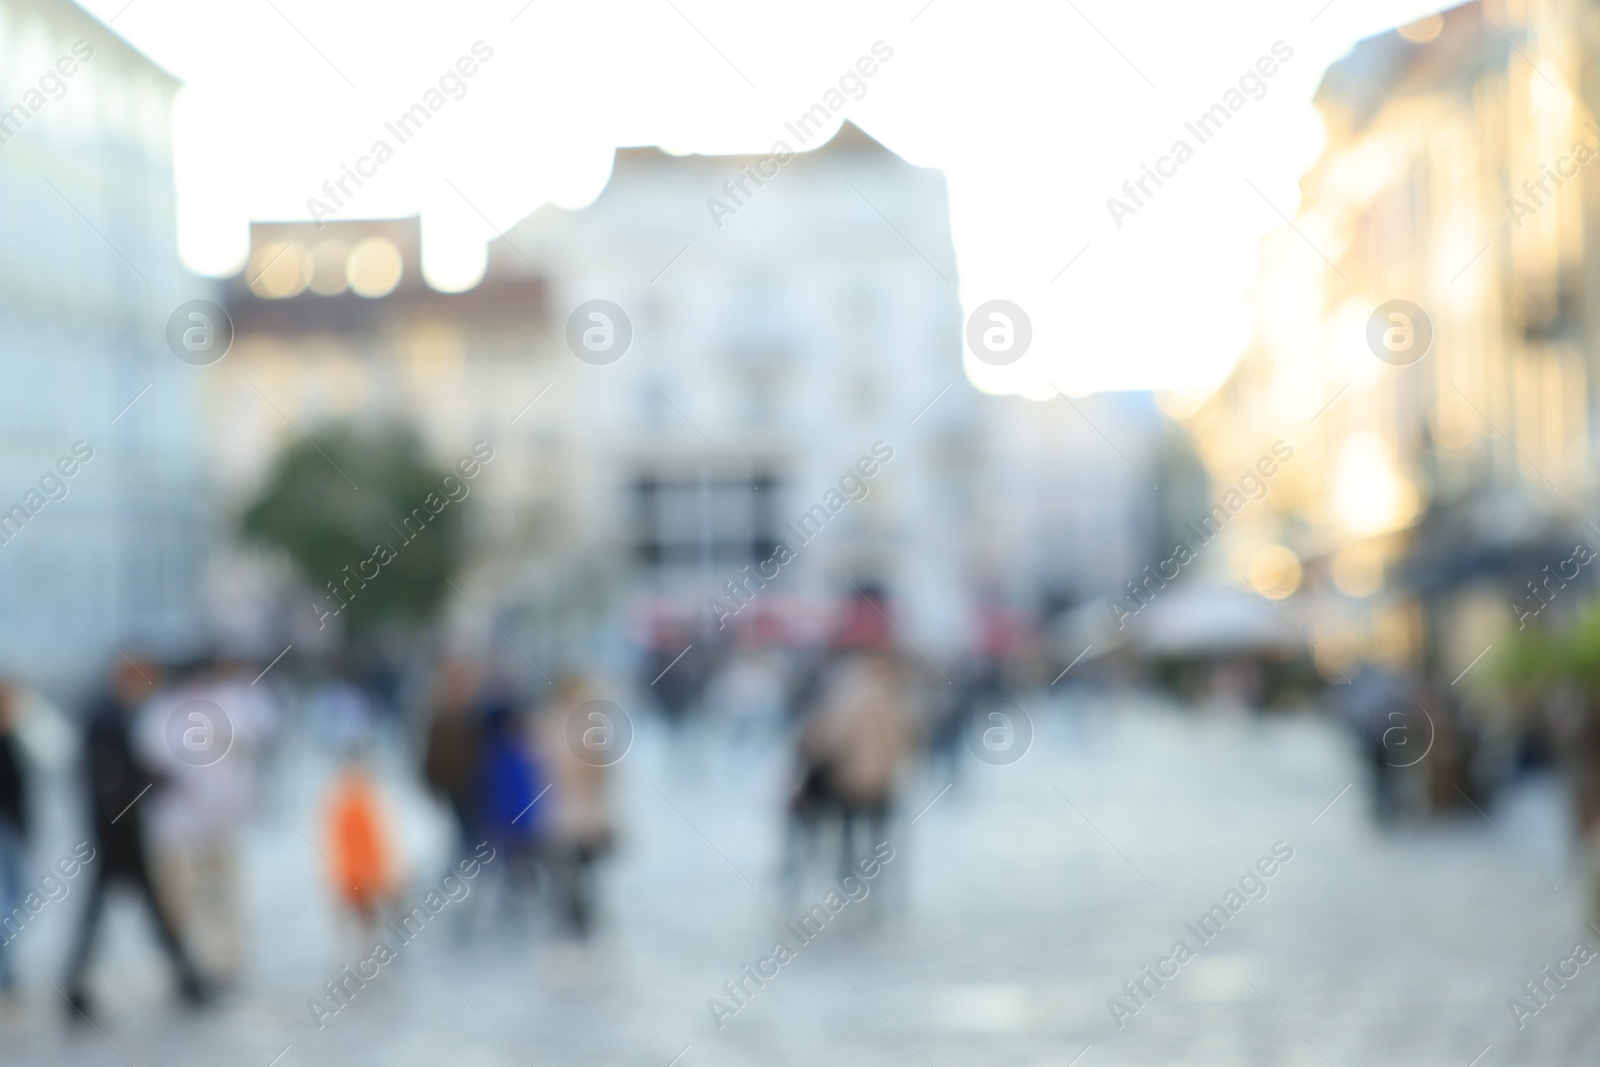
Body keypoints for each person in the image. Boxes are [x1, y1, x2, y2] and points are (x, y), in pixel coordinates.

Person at [63, 660, 208, 1020]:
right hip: (117, 834)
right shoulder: (107, 717)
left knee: (115, 915)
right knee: (114, 915)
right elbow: (109, 777)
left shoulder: (115, 714)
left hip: (118, 831)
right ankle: (187, 981)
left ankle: (186, 980)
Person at [791, 587, 917, 885]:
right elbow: (907, 736)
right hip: (881, 779)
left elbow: (824, 737)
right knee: (875, 834)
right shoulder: (892, 695)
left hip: (849, 778)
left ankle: (848, 878)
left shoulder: (841, 692)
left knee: (849, 835)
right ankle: (876, 881)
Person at [537, 676, 614, 938]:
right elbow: (600, 777)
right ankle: (577, 926)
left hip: (559, 814)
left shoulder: (547, 725)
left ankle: (570, 924)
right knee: (579, 874)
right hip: (574, 815)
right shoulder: (588, 727)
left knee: (567, 873)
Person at [323, 746, 398, 935]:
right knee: (368, 917)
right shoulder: (356, 805)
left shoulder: (350, 802)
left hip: (359, 875)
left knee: (366, 919)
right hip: (361, 876)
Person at [423, 659, 482, 856]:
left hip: (473, 787)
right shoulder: (441, 719)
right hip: (452, 785)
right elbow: (431, 756)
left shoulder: (473, 718)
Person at [0, 684, 29, 994]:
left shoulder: (12, 740)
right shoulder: (6, 742)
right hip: (6, 829)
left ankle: (8, 970)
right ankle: (6, 970)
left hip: (11, 828)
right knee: (10, 900)